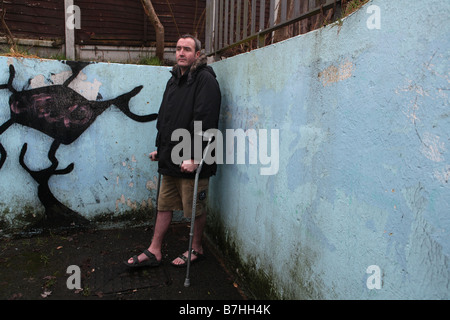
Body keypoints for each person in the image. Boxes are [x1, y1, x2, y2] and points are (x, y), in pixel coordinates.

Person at [124, 34, 221, 268]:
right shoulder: (174, 79)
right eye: (178, 48)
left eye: (187, 49)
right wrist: (161, 149)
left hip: (193, 158)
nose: (181, 53)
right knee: (164, 205)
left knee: (195, 208)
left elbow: (205, 121)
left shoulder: (205, 80)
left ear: (197, 54)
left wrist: (196, 157)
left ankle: (196, 248)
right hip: (171, 156)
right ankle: (154, 250)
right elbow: (165, 117)